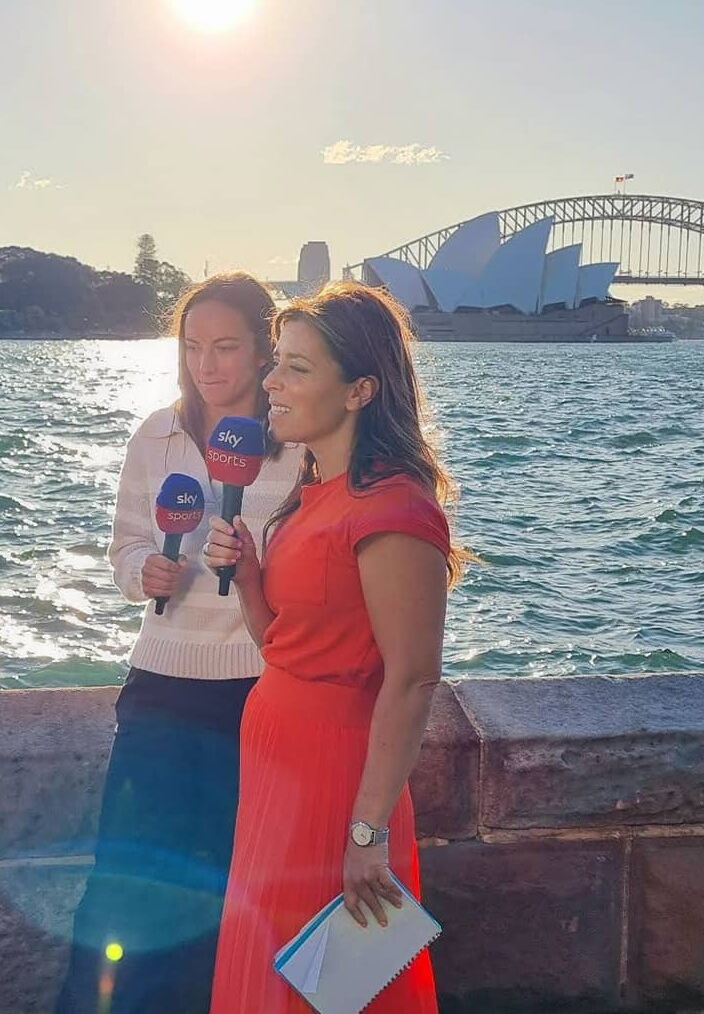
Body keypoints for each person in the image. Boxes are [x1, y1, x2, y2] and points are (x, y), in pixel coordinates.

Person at [204, 281, 469, 1014]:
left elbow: (413, 680)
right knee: (275, 966)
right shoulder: (312, 495)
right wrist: (251, 578)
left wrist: (367, 831)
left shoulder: (393, 509)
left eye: (296, 367)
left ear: (359, 390)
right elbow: (284, 647)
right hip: (274, 759)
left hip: (336, 775)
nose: (271, 382)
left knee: (328, 984)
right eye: (276, 363)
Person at [56, 273, 303, 1014]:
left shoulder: (296, 444)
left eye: (226, 346)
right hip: (160, 685)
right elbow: (124, 547)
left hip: (258, 693)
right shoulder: (156, 433)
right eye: (193, 347)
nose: (207, 365)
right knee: (125, 875)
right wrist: (147, 569)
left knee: (235, 884)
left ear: (265, 350)